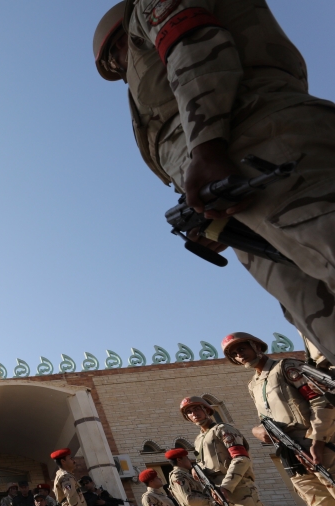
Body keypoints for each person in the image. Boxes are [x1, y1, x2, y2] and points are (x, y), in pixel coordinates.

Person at [91, 0, 335, 366]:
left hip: (262, 148)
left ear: (120, 39)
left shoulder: (146, 8)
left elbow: (195, 47)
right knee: (320, 316)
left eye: (116, 58)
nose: (121, 70)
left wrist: (206, 148)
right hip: (243, 188)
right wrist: (212, 217)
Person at [223, 332, 335, 506]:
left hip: (318, 445)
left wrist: (317, 440)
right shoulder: (253, 385)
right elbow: (265, 419)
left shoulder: (286, 367)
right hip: (290, 454)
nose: (239, 355)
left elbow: (320, 400)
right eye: (234, 354)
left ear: (257, 347)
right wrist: (258, 431)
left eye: (242, 348)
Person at [180, 396, 295, 506]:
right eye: (189, 412)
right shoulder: (199, 440)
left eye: (197, 408)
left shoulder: (224, 429)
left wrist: (226, 486)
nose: (194, 413)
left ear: (207, 410)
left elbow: (241, 458)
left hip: (239, 490)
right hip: (220, 496)